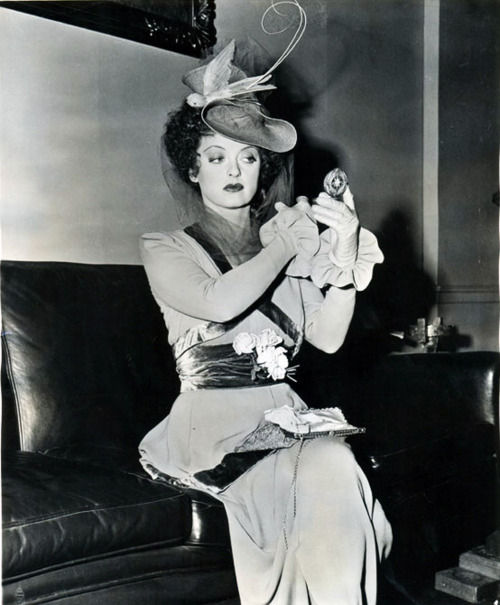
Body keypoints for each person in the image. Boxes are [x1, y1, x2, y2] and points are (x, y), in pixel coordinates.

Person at [138, 31, 392, 605]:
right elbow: (220, 303)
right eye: (216, 157)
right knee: (327, 474)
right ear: (193, 169)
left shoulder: (288, 244)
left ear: (262, 168)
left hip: (285, 417)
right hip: (210, 427)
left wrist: (343, 256)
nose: (234, 170)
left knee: (335, 462)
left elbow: (328, 338)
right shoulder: (165, 247)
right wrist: (284, 246)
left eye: (248, 157)